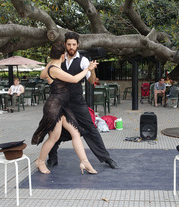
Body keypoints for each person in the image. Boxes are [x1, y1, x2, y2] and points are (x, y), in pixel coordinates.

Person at [41, 32, 118, 169]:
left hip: (77, 101)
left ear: (78, 45)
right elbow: (43, 74)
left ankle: (106, 158)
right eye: (69, 44)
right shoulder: (59, 59)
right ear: (65, 45)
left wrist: (92, 70)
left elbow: (91, 80)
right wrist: (51, 62)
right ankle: (52, 158)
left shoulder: (83, 61)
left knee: (91, 129)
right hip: (60, 102)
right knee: (54, 130)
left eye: (74, 44)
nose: (71, 47)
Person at [31, 42, 99, 174]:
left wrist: (52, 59)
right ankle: (40, 161)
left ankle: (84, 162)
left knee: (75, 133)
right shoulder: (55, 69)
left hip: (62, 106)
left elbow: (41, 75)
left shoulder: (53, 66)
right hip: (54, 107)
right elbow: (74, 79)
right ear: (63, 55)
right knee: (54, 137)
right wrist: (88, 69)